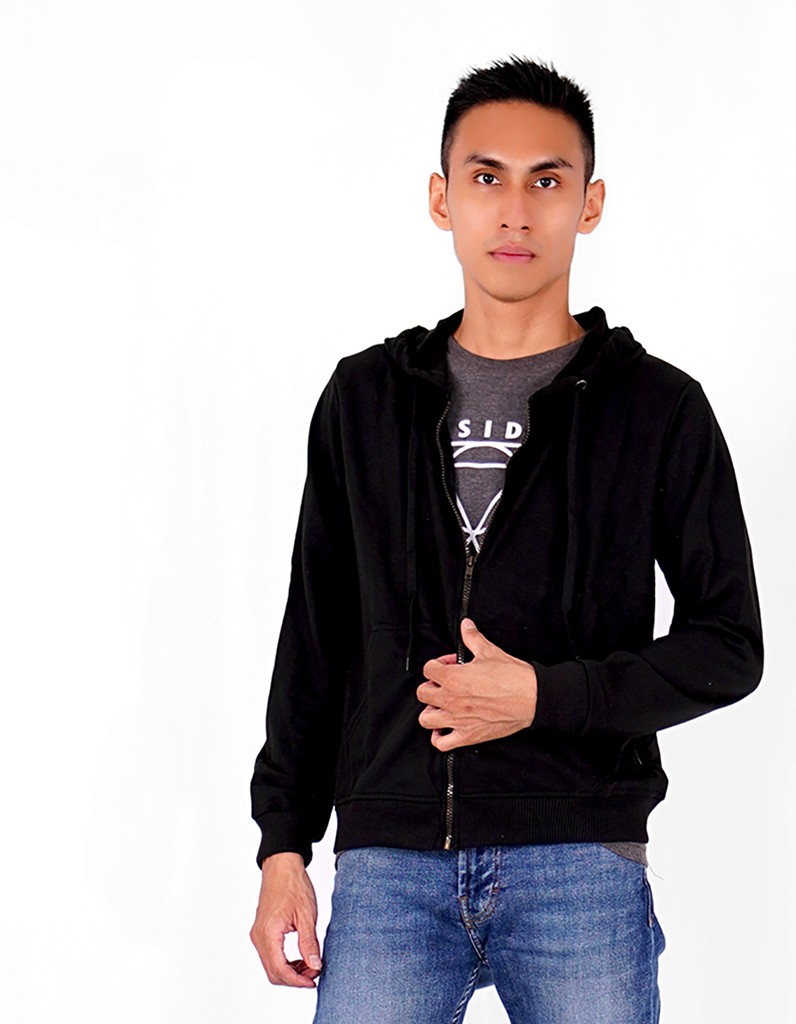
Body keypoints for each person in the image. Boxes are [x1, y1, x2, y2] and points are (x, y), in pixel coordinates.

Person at [249, 56, 763, 1023]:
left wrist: (542, 697)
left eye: (547, 181)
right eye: (487, 178)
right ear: (442, 199)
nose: (516, 212)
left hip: (578, 862)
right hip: (390, 866)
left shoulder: (657, 408)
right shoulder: (366, 399)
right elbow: (316, 636)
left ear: (589, 203)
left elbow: (729, 644)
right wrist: (284, 845)